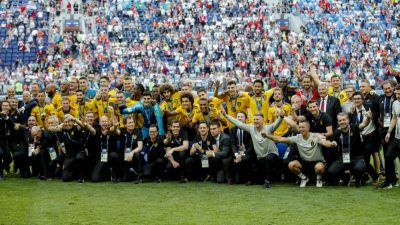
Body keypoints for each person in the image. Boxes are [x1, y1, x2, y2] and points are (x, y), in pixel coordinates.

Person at [222, 109, 284, 188]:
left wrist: (281, 116)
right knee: (258, 180)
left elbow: (277, 123)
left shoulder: (269, 128)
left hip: (272, 154)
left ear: (263, 120)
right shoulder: (251, 128)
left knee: (269, 158)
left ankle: (267, 181)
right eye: (254, 119)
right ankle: (264, 179)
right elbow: (238, 123)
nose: (255, 121)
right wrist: (226, 115)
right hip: (260, 157)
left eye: (257, 119)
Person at [266, 120, 337, 187]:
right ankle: (303, 178)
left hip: (317, 162)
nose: (301, 129)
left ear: (308, 128)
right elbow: (280, 139)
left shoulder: (316, 136)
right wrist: (267, 136)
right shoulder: (297, 138)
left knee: (320, 168)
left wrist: (331, 144)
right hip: (305, 163)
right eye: (300, 127)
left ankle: (319, 179)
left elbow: (324, 142)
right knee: (291, 165)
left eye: (303, 127)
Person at [47, 114, 96, 183]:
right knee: (65, 178)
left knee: (79, 158)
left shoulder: (77, 128)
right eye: (66, 122)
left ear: (73, 122)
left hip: (79, 151)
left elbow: (83, 126)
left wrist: (75, 119)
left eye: (69, 122)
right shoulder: (62, 129)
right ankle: (73, 173)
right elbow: (48, 128)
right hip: (69, 154)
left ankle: (81, 177)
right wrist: (43, 121)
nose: (67, 124)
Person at [329, 112, 372, 187]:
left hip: (357, 158)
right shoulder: (337, 132)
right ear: (338, 122)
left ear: (348, 120)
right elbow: (333, 141)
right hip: (344, 158)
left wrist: (368, 118)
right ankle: (346, 177)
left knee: (359, 168)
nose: (342, 122)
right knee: (331, 171)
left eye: (344, 120)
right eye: (340, 120)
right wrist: (333, 143)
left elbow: (364, 124)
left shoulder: (354, 127)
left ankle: (359, 179)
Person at [349, 91, 380, 184]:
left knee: (365, 160)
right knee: (359, 159)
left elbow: (378, 102)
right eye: (355, 99)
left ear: (363, 100)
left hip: (370, 138)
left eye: (358, 98)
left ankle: (375, 177)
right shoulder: (351, 112)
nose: (357, 100)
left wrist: (373, 92)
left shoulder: (370, 107)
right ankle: (361, 178)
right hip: (358, 139)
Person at [381, 84, 400, 188]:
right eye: (396, 94)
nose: (398, 96)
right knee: (388, 157)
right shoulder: (395, 103)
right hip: (397, 138)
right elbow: (394, 118)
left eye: (399, 94)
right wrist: (389, 132)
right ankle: (388, 182)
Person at [230, 111, 255, 184]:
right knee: (231, 159)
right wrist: (236, 154)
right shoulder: (233, 129)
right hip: (237, 153)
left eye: (242, 117)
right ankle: (232, 178)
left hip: (247, 152)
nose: (240, 118)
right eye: (238, 117)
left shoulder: (249, 129)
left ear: (245, 119)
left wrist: (242, 155)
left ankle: (249, 179)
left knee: (246, 159)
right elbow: (233, 144)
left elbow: (251, 147)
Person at [120, 116, 143, 183]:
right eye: (129, 123)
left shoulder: (138, 131)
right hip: (124, 158)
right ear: (125, 124)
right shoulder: (122, 130)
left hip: (133, 158)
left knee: (137, 154)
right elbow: (116, 131)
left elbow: (140, 147)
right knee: (125, 180)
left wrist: (132, 152)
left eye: (132, 122)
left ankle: (139, 176)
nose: (132, 124)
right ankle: (131, 173)